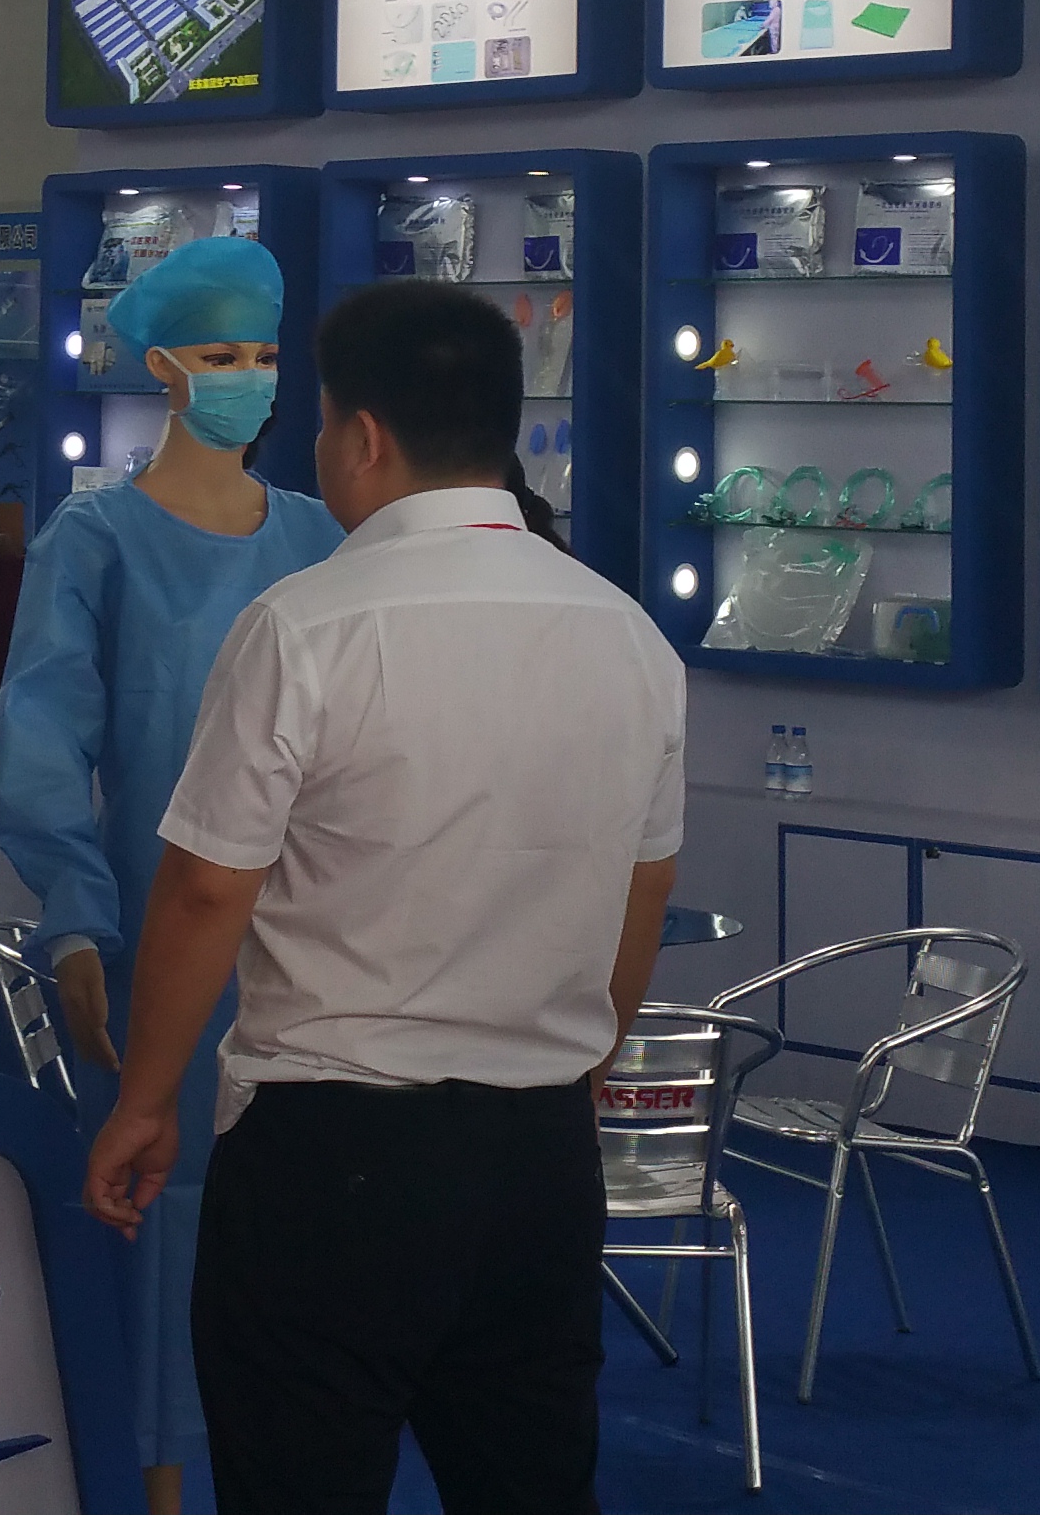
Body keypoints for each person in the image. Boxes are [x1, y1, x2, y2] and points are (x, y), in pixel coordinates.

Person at [84, 279, 686, 1515]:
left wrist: (144, 1100)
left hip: (332, 1152)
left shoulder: (305, 624)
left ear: (360, 437)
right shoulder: (625, 635)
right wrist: (577, 1064)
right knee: (528, 1487)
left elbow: (203, 893)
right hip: (537, 1156)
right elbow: (645, 885)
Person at [0, 234, 328, 1509]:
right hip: (157, 939)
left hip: (311, 950)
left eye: (262, 354)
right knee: (158, 1230)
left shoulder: (318, 539)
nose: (248, 377)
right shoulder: (94, 539)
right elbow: (43, 741)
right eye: (221, 354)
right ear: (166, 368)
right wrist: (77, 921)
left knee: (297, 1243)